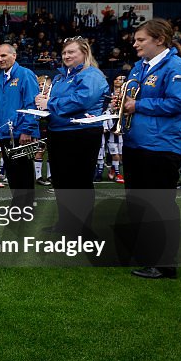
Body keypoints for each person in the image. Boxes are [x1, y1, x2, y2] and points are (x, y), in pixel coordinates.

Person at [118, 19, 181, 279]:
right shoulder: (140, 67)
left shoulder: (178, 67)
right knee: (138, 204)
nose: (135, 43)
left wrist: (137, 106)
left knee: (159, 205)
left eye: (141, 40)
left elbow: (180, 103)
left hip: (161, 145)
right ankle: (145, 255)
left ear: (159, 40)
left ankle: (164, 263)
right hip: (135, 143)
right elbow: (133, 100)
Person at [35, 37, 109, 237]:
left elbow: (81, 101)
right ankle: (66, 224)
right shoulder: (61, 77)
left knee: (79, 183)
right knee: (61, 182)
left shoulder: (92, 75)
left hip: (81, 134)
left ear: (84, 53)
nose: (66, 56)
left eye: (71, 52)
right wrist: (43, 101)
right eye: (64, 52)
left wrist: (49, 104)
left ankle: (83, 230)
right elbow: (59, 101)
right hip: (59, 132)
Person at [0, 43, 40, 210]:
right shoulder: (0, 78)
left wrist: (27, 130)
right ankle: (17, 206)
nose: (0, 59)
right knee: (11, 172)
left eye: (4, 56)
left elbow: (32, 104)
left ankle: (27, 208)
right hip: (5, 133)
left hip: (22, 133)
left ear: (14, 56)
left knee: (24, 172)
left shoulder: (25, 74)